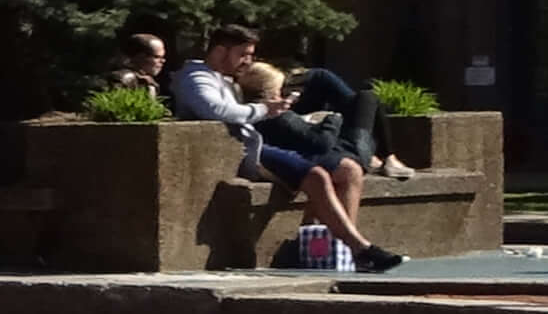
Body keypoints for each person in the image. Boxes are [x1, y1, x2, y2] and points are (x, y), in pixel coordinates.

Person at [158, 22, 400, 271]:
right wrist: (264, 109)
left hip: (251, 144)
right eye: (243, 54)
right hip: (240, 151)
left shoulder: (220, 77)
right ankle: (359, 249)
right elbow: (217, 110)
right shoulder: (196, 78)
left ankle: (346, 249)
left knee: (320, 175)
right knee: (328, 170)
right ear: (220, 51)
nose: (247, 61)